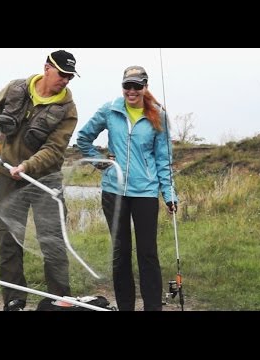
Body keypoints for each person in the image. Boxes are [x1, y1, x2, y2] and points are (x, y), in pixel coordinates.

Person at [0, 50, 79, 311]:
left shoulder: (68, 110)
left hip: (46, 180)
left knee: (52, 240)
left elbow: (54, 150)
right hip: (9, 177)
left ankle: (59, 299)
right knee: (8, 238)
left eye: (70, 77)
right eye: (62, 74)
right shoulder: (16, 88)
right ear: (47, 68)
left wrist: (27, 165)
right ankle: (14, 299)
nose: (66, 80)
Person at [77, 65, 178, 311]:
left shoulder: (158, 115)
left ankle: (153, 307)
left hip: (145, 192)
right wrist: (102, 162)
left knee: (147, 254)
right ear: (122, 86)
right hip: (114, 192)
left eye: (137, 86)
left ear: (145, 87)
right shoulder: (109, 110)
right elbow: (83, 138)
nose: (131, 91)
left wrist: (169, 194)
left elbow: (163, 160)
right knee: (121, 254)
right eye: (127, 86)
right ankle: (125, 307)